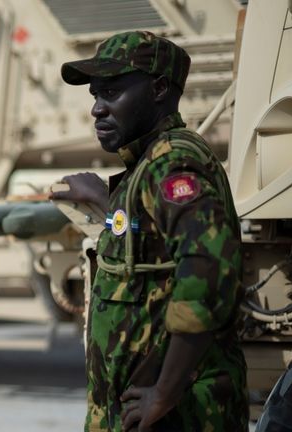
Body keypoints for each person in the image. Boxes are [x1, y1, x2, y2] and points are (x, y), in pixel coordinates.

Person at [51, 31, 248, 431]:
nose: (97, 109)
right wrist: (106, 201)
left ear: (159, 88)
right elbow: (149, 244)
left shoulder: (173, 161)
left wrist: (165, 392)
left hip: (179, 413)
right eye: (94, 95)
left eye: (111, 92)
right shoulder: (148, 164)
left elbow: (207, 270)